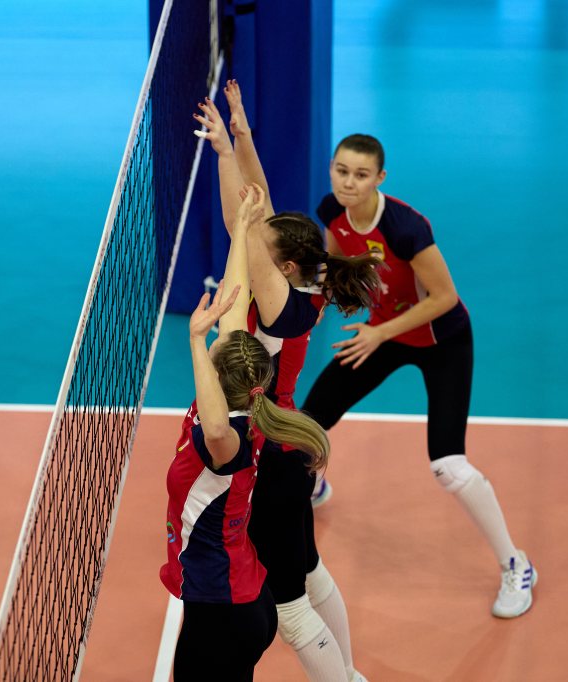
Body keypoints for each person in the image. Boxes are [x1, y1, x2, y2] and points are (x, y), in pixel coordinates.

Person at [301, 133, 537, 619]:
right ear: (331, 169)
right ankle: (313, 485)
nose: (349, 182)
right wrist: (318, 298)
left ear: (380, 178)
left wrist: (379, 333)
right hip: (383, 333)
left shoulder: (407, 228)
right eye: (342, 171)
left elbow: (445, 298)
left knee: (448, 465)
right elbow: (337, 264)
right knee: (306, 426)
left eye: (361, 175)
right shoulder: (331, 211)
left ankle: (516, 564)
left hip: (441, 341)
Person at [195, 83, 379, 681]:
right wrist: (234, 144)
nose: (254, 236)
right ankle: (350, 674)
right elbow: (257, 211)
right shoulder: (299, 285)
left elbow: (244, 223)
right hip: (287, 443)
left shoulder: (281, 309)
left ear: (285, 266)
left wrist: (232, 161)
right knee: (313, 573)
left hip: (270, 454)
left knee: (291, 609)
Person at [162, 188, 331, 682]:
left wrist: (196, 340)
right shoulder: (246, 406)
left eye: (217, 347)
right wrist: (240, 227)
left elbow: (215, 425)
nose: (219, 336)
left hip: (225, 610)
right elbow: (234, 307)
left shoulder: (226, 438)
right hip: (232, 600)